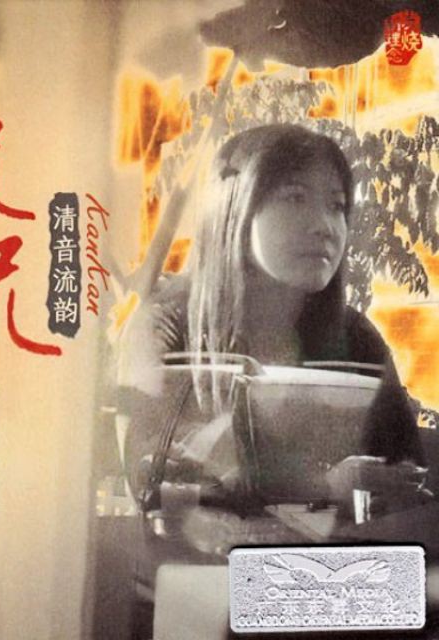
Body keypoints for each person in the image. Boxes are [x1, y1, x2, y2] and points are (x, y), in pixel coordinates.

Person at [119, 123, 428, 522]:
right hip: (197, 559)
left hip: (340, 559)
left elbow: (409, 470)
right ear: (235, 206)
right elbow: (150, 482)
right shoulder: (166, 324)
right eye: (295, 197)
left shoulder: (355, 335)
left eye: (336, 205)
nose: (324, 225)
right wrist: (323, 487)